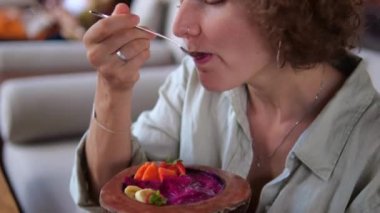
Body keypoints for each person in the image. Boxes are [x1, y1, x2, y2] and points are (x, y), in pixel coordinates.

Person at [70, 0, 380, 212]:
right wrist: (114, 88)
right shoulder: (191, 85)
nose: (179, 25)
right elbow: (114, 197)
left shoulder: (371, 153)